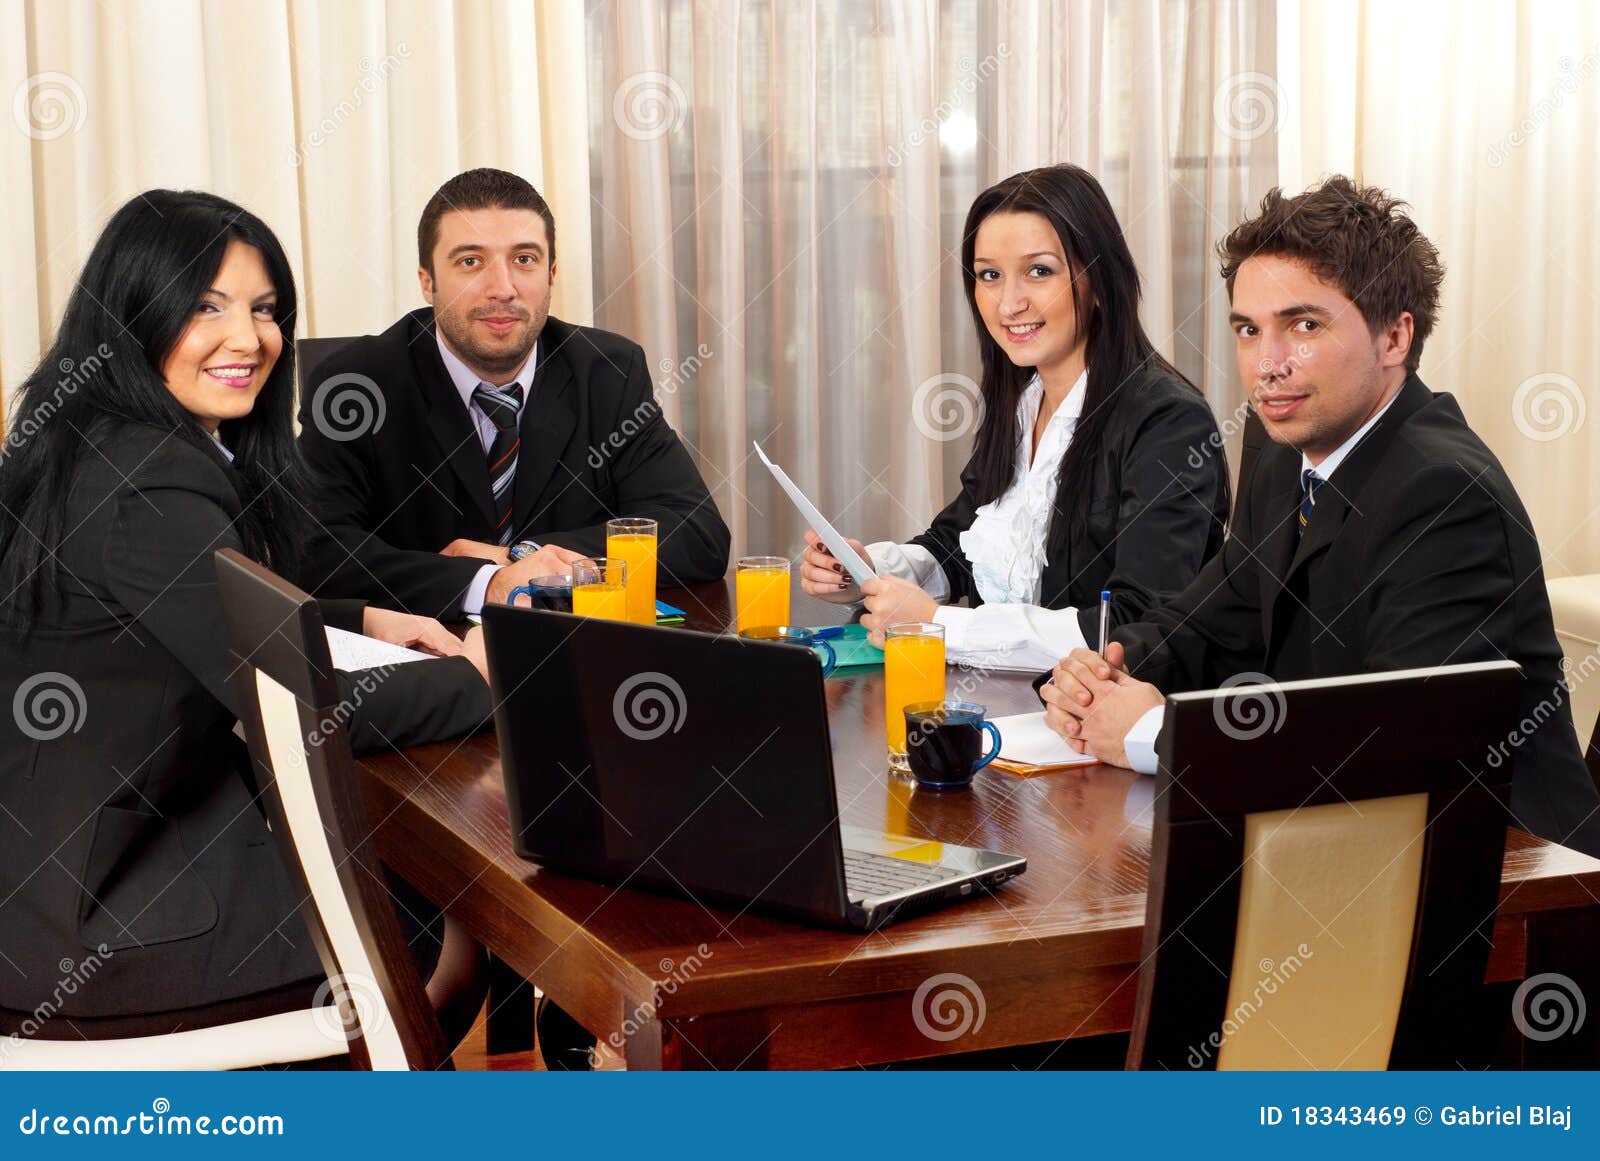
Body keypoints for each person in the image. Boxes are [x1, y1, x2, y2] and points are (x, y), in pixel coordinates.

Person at [0, 191, 495, 1038]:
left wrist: (362, 617)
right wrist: (479, 679)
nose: (250, 338)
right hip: (98, 921)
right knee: (419, 927)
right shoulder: (149, 481)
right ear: (133, 315)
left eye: (265, 310)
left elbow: (193, 603)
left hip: (51, 882)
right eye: (206, 306)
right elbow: (303, 703)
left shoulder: (93, 436)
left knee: (422, 915)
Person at [1042, 176, 1600, 858]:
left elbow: (1393, 753)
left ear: (1395, 337)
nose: (1267, 364)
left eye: (1304, 325)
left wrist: (1154, 732)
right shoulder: (1286, 447)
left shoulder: (1445, 495)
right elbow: (1216, 617)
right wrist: (1101, 673)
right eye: (1249, 329)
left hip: (1508, 887)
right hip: (1335, 857)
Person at [800, 165, 1228, 668]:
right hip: (1001, 704)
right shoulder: (1023, 402)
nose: (1009, 302)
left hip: (1095, 725)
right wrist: (867, 571)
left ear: (1098, 279)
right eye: (990, 275)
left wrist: (937, 625)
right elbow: (960, 548)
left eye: (1039, 271)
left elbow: (1135, 624)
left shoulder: (1170, 422)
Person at [297, 168, 731, 620]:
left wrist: (527, 556)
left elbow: (697, 533)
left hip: (572, 655)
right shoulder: (353, 384)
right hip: (426, 662)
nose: (502, 288)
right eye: (470, 261)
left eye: (524, 259)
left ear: (551, 274)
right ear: (427, 282)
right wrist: (483, 583)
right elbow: (314, 551)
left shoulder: (608, 372)